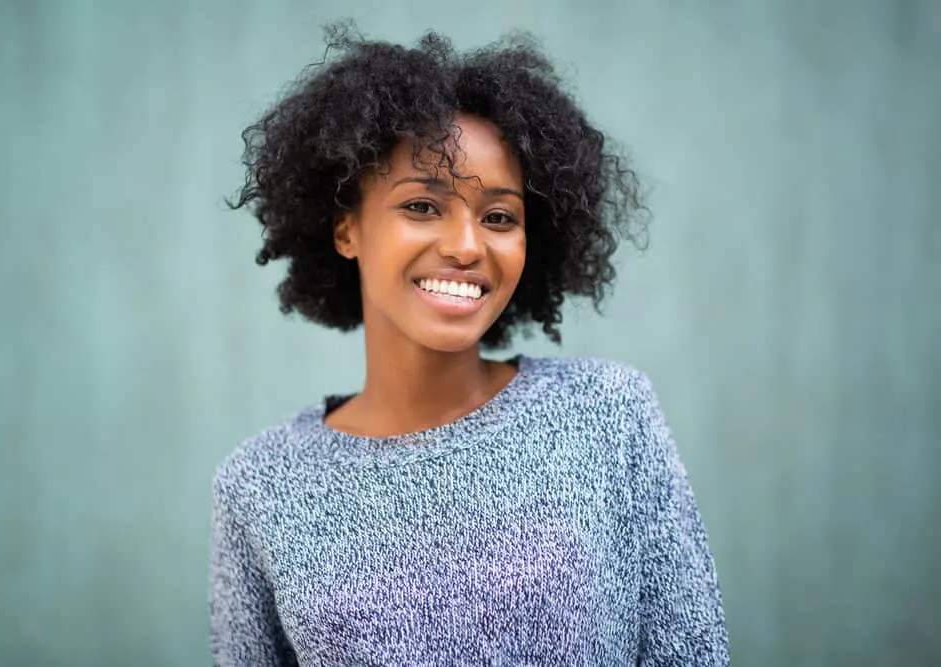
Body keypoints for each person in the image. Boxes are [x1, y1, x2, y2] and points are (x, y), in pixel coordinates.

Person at [210, 24, 729, 666]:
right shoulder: (261, 483)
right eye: (423, 206)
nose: (465, 245)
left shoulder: (607, 416)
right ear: (346, 229)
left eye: (499, 217)